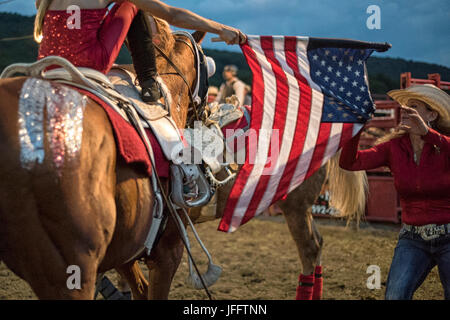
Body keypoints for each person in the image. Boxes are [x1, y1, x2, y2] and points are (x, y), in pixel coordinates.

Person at [339, 84, 450, 300]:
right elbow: (349, 162)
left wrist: (428, 134)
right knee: (394, 296)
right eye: (405, 107)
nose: (405, 111)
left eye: (414, 107)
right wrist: (357, 128)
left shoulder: (443, 145)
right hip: (413, 237)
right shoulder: (393, 147)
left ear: (432, 115)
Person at [34, 0, 245, 102]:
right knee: (131, 3)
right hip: (88, 63)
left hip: (47, 65)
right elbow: (172, 14)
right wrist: (220, 28)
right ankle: (148, 80)